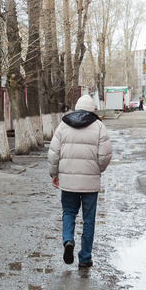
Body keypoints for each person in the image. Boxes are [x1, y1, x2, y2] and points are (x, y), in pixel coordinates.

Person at [48, 94, 112, 269]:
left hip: (68, 181)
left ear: (76, 107)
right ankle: (85, 258)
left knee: (68, 212)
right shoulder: (99, 126)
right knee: (88, 219)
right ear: (93, 109)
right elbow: (105, 154)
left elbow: (54, 152)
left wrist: (54, 173)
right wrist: (98, 169)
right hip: (90, 183)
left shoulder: (63, 125)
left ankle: (68, 240)